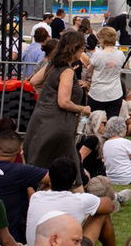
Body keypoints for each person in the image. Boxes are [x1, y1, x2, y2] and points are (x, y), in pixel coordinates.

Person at [25, 156, 118, 246]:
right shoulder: (81, 201)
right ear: (74, 181)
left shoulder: (36, 197)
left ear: (49, 178)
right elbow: (110, 206)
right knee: (102, 214)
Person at [23, 30, 92, 171]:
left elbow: (34, 81)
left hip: (40, 119)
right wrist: (83, 109)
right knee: (65, 167)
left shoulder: (51, 65)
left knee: (37, 163)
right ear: (75, 49)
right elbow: (63, 102)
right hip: (58, 123)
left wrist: (51, 87)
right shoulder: (67, 71)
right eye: (82, 48)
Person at [87, 26, 125, 119]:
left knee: (94, 119)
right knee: (112, 120)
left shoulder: (97, 54)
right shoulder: (121, 54)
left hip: (97, 92)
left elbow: (89, 72)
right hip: (115, 92)